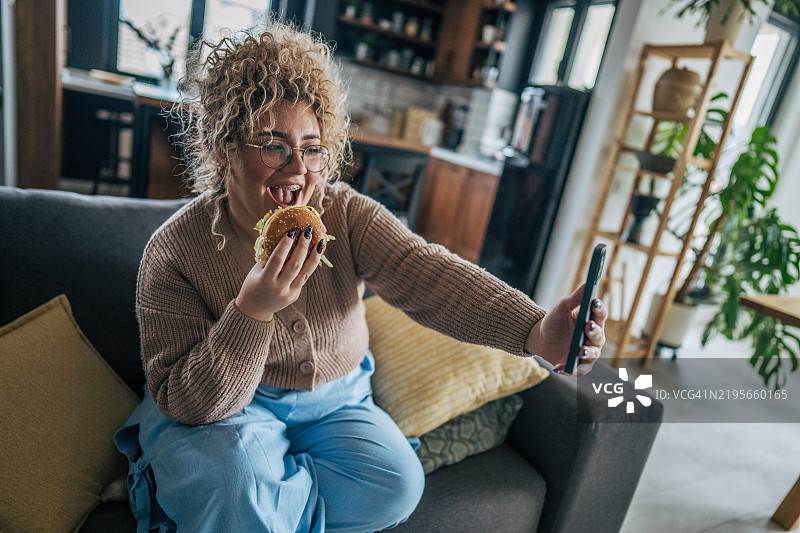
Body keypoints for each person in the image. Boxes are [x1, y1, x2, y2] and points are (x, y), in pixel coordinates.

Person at [114, 19, 607, 533]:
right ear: (224, 151)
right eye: (273, 145)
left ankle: (259, 500)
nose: (298, 170)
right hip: (234, 411)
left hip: (339, 401)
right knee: (235, 480)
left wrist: (535, 330)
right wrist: (252, 311)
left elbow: (430, 274)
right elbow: (188, 403)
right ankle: (228, 488)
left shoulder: (344, 214)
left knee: (397, 486)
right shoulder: (173, 253)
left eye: (312, 148)